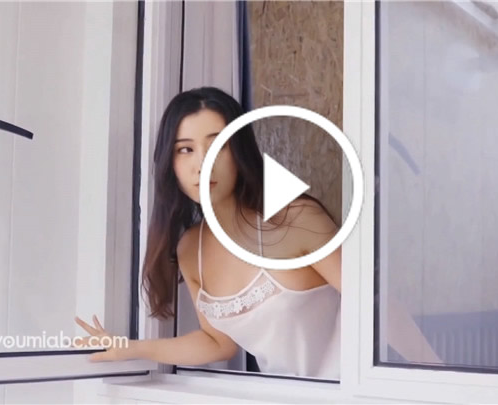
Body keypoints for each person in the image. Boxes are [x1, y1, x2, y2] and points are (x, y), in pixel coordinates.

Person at [75, 87, 342, 379]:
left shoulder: (295, 219)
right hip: (285, 395)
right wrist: (130, 348)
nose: (203, 164)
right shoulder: (191, 248)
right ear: (170, 163)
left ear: (240, 151)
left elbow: (374, 313)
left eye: (219, 145)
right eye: (185, 150)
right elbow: (217, 343)